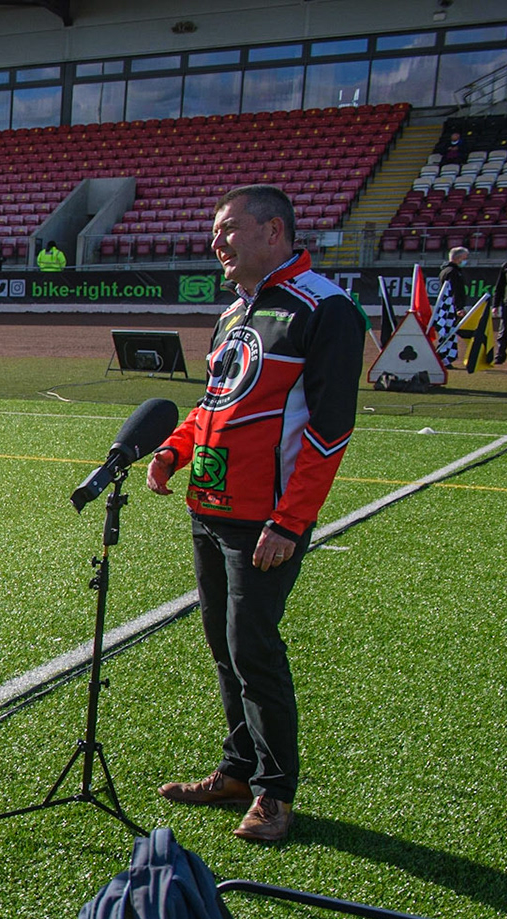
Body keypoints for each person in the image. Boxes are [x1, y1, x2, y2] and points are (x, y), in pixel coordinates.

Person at [147, 184, 362, 844]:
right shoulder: (234, 313)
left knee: (253, 649)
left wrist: (290, 521)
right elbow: (214, 404)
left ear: (274, 231)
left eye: (229, 229)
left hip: (264, 520)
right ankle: (238, 769)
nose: (218, 243)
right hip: (208, 508)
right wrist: (173, 450)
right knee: (224, 647)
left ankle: (275, 793)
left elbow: (329, 432)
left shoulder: (326, 309)